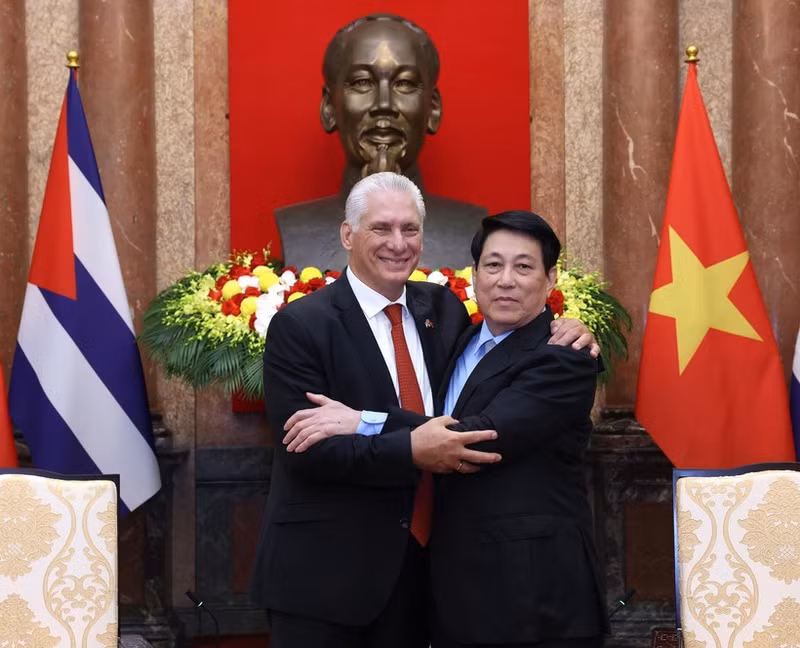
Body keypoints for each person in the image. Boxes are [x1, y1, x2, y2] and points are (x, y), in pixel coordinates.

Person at [252, 173, 598, 648]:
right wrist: (412, 448)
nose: (398, 243)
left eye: (410, 229)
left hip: (435, 582)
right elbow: (305, 449)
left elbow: (484, 415)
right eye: (381, 228)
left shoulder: (442, 310)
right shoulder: (300, 325)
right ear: (348, 235)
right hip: (324, 579)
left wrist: (365, 422)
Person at [275, 13, 486, 270]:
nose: (384, 105)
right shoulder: (297, 229)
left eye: (404, 83)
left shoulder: (469, 228)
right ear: (329, 107)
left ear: (432, 109)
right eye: (362, 83)